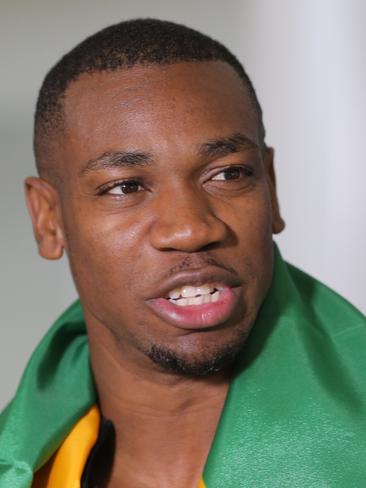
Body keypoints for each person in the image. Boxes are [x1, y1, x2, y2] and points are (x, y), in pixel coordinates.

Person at [0, 18, 365, 488]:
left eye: (228, 174)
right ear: (49, 219)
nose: (192, 228)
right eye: (125, 186)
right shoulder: (25, 465)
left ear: (271, 188)